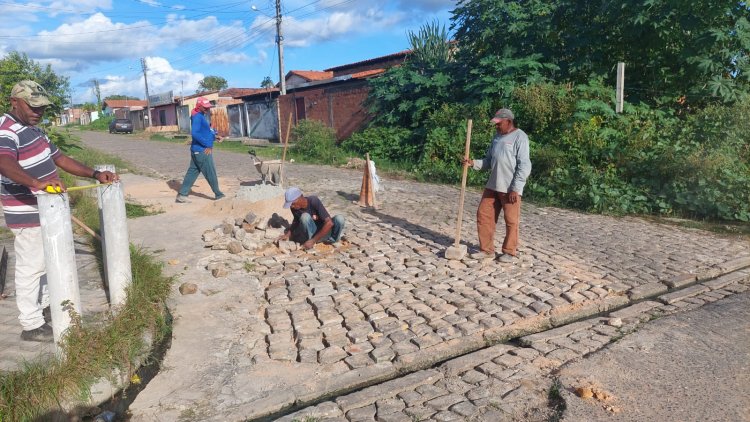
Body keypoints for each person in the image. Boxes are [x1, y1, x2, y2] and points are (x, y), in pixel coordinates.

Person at [0, 80, 119, 342]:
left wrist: (96, 174)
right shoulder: (6, 131)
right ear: (14, 102)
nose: (38, 112)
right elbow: (4, 163)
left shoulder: (35, 131)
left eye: (42, 107)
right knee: (30, 267)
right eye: (33, 106)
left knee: (45, 264)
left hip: (48, 211)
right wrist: (37, 183)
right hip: (26, 212)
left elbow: (61, 159)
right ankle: (31, 325)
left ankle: (44, 310)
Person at [464, 108, 531, 263]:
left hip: (510, 188)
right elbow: (488, 161)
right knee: (483, 215)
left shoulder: (520, 137)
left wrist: (516, 188)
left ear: (508, 121)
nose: (496, 126)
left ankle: (509, 252)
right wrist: (473, 163)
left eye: (499, 123)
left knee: (511, 221)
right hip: (493, 185)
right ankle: (487, 250)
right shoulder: (496, 137)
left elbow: (524, 165)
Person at [176, 97, 224, 202]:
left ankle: (182, 195)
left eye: (208, 107)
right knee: (210, 172)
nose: (207, 109)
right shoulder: (198, 117)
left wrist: (214, 137)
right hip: (202, 150)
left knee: (193, 171)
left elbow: (204, 132)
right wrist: (208, 145)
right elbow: (195, 133)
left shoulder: (198, 115)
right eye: (205, 107)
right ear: (199, 106)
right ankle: (218, 195)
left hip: (196, 150)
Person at [277, 187, 345, 249]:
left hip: (324, 232)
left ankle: (332, 240)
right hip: (313, 234)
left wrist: (313, 240)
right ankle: (312, 243)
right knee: (305, 217)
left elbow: (329, 223)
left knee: (340, 218)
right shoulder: (294, 208)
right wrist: (288, 235)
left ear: (300, 198)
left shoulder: (313, 201)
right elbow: (296, 221)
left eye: (292, 203)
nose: (291, 206)